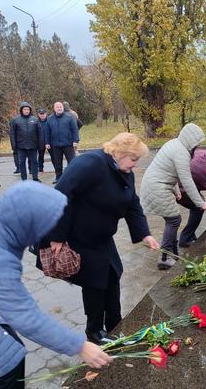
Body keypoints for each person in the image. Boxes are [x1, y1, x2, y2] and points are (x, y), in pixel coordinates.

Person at [0, 182, 112, 388]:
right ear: (30, 224)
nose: (53, 230)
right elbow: (25, 317)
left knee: (11, 342)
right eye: (49, 224)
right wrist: (80, 346)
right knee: (8, 365)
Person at [41, 133, 159, 344]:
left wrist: (145, 234)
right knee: (95, 284)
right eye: (134, 159)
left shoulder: (124, 172)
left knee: (113, 276)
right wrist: (56, 236)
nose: (135, 164)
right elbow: (61, 194)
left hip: (102, 238)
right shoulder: (91, 163)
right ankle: (94, 332)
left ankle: (115, 325)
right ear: (120, 153)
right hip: (80, 237)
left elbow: (132, 204)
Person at [140, 123, 206, 270]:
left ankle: (173, 253)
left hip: (155, 184)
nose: (197, 146)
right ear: (191, 140)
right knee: (173, 220)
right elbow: (186, 180)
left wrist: (176, 191)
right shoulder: (181, 153)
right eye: (197, 143)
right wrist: (200, 203)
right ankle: (164, 257)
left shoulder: (174, 144)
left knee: (172, 218)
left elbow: (169, 171)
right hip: (157, 187)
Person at [44, 101, 79, 184]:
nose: (59, 108)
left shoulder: (70, 117)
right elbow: (47, 132)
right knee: (57, 162)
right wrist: (47, 143)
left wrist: (75, 140)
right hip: (55, 145)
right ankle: (58, 177)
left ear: (63, 108)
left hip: (68, 144)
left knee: (71, 162)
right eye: (57, 107)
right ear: (54, 108)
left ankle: (72, 177)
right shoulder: (49, 118)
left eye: (60, 107)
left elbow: (75, 129)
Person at [9, 101, 43, 182]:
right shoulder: (15, 120)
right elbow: (12, 133)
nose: (26, 111)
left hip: (33, 145)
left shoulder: (35, 120)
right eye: (25, 109)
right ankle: (24, 179)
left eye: (28, 109)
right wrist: (14, 146)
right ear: (21, 110)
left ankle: (35, 178)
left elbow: (40, 133)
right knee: (21, 163)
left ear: (30, 110)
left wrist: (41, 145)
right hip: (21, 146)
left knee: (34, 162)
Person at [36, 108, 50, 173]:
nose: (42, 115)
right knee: (40, 156)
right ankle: (40, 168)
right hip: (40, 142)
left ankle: (56, 168)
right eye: (41, 114)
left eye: (43, 114)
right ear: (38, 115)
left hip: (49, 142)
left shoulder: (49, 121)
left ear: (46, 114)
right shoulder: (36, 122)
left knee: (54, 156)